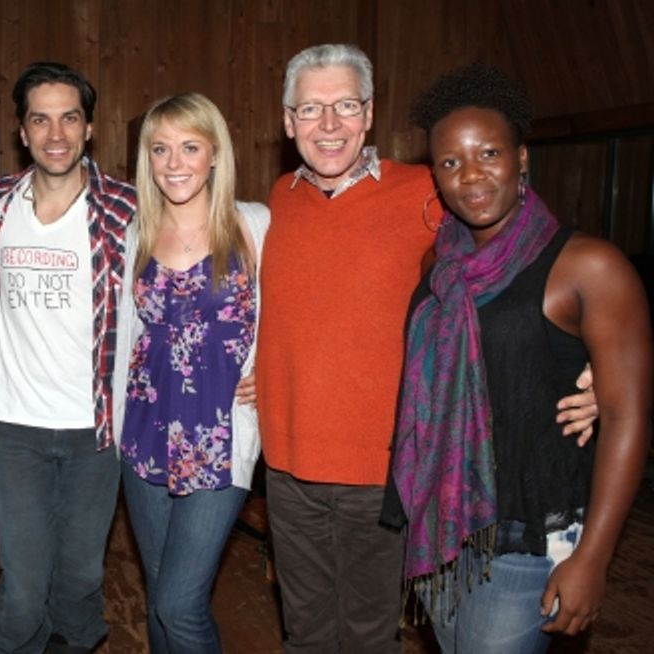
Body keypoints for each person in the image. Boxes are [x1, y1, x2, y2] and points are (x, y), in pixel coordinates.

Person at [250, 43, 601, 653]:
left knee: (368, 637)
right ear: (287, 122)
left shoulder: (430, 191)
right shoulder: (279, 199)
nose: (328, 124)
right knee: (304, 633)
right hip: (285, 466)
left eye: (345, 106)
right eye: (310, 109)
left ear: (369, 114)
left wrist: (588, 358)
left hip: (386, 470)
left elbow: (533, 258)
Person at [381, 64, 651, 652]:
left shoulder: (587, 266)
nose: (471, 175)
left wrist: (594, 559)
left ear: (522, 157)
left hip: (525, 539)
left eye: (489, 153)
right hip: (444, 524)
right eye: (451, 162)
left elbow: (630, 417)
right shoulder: (440, 265)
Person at [0, 61, 137, 654]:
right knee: (21, 586)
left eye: (69, 118)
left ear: (89, 127)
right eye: (40, 120)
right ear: (21, 131)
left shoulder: (126, 210)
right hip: (14, 427)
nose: (55, 134)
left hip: (96, 431)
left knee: (81, 580)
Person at [111, 92, 268, 653]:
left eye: (190, 147)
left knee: (180, 603)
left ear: (215, 155)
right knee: (159, 598)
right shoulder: (135, 235)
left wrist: (272, 371)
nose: (174, 163)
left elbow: (298, 316)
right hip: (145, 433)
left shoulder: (254, 227)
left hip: (219, 438)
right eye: (160, 149)